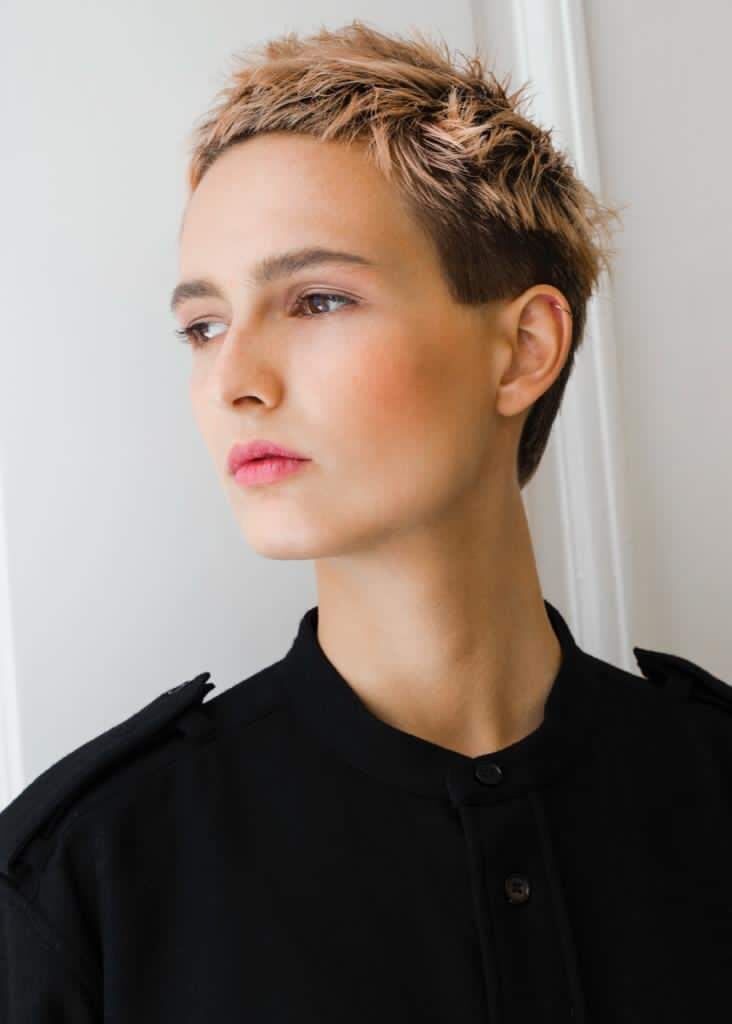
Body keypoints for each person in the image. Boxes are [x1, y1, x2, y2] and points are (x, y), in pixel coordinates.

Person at [1, 18, 730, 1022]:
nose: (235, 380)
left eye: (317, 301)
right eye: (203, 325)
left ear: (524, 348)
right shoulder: (82, 881)